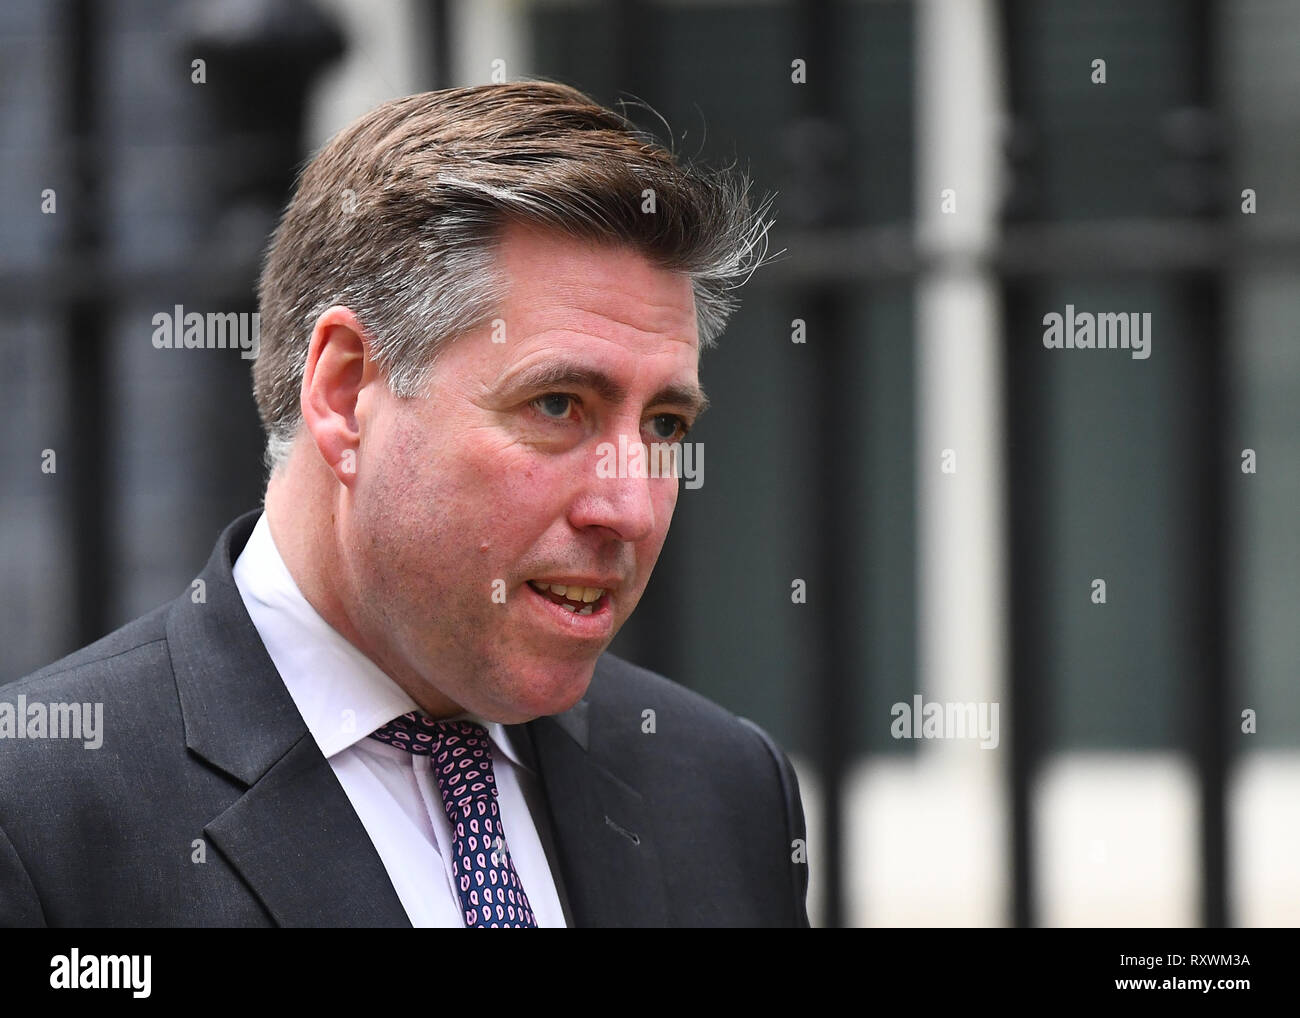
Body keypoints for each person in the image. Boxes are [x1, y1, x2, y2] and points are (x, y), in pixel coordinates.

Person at [0, 81, 809, 927]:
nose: (630, 509)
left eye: (664, 423)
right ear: (347, 393)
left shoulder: (722, 789)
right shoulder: (40, 818)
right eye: (558, 405)